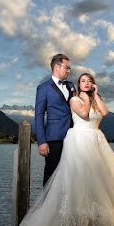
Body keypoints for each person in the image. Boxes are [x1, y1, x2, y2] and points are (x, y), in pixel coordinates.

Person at [10, 72, 114, 226]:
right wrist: (84, 97)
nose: (87, 83)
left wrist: (95, 95)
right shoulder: (74, 99)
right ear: (79, 85)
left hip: (96, 141)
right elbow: (84, 114)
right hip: (79, 140)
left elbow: (104, 113)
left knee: (100, 185)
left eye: (89, 81)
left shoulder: (95, 98)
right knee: (77, 183)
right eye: (83, 81)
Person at [34, 53, 75, 186]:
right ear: (57, 66)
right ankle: (47, 205)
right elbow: (39, 116)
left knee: (70, 176)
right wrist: (41, 141)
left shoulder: (71, 85)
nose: (69, 70)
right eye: (67, 67)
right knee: (51, 175)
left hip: (73, 136)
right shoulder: (43, 88)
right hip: (54, 138)